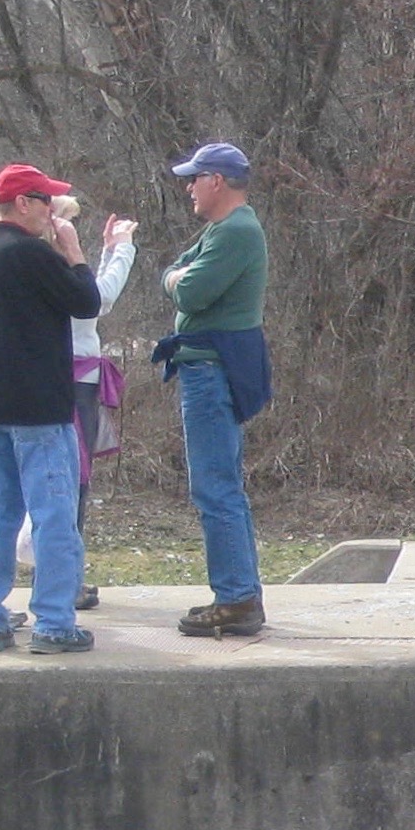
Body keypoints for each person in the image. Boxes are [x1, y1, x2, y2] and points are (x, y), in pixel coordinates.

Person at [0, 165, 102, 653]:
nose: (51, 209)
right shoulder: (32, 254)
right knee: (54, 519)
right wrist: (74, 254)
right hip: (40, 413)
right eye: (44, 200)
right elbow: (86, 301)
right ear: (22, 204)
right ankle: (54, 623)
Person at [155, 141, 271, 638]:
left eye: (195, 178)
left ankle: (236, 598)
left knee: (215, 487)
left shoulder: (237, 232)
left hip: (211, 372)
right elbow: (173, 274)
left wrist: (179, 279)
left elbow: (190, 290)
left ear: (217, 181)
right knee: (222, 484)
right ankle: (240, 592)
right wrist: (178, 277)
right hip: (205, 367)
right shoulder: (220, 230)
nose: (189, 188)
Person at [50, 193, 136, 609]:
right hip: (73, 381)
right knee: (73, 479)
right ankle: (66, 580)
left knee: (66, 479)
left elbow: (90, 297)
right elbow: (98, 300)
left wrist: (104, 252)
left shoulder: (40, 267)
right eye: (68, 225)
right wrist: (122, 250)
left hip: (65, 377)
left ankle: (64, 577)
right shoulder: (56, 268)